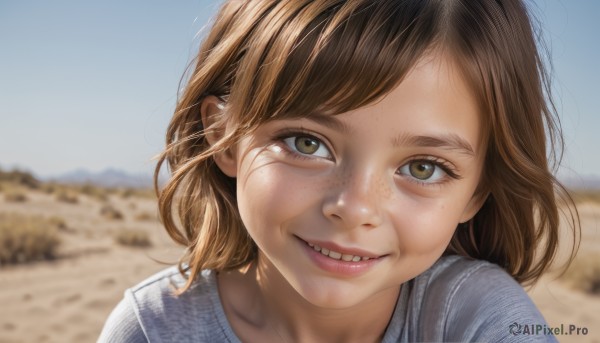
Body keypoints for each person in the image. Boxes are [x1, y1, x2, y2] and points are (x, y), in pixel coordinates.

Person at [99, 0, 580, 342]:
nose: (355, 209)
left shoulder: (475, 316)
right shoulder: (151, 329)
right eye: (306, 143)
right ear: (222, 136)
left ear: (477, 192)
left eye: (424, 167)